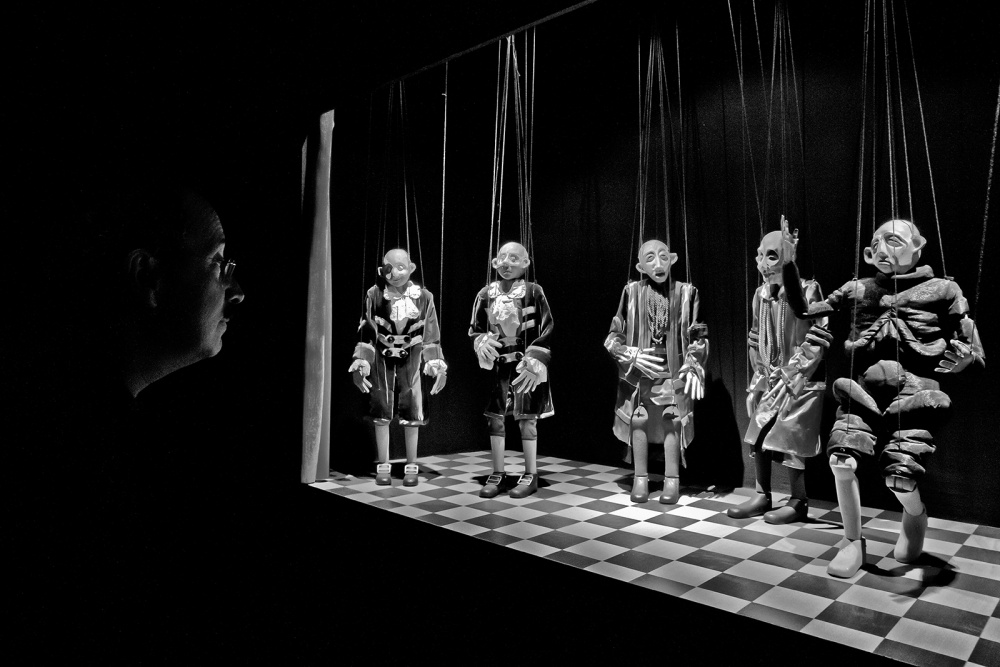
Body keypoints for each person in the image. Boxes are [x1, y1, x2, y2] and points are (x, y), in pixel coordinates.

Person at [783, 219, 984, 577]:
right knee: (841, 461)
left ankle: (915, 515)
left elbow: (973, 347)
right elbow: (804, 310)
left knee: (901, 477)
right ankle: (852, 541)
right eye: (874, 244)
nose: (880, 250)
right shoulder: (856, 288)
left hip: (915, 394)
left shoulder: (943, 289)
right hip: (862, 391)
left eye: (892, 240)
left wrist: (968, 358)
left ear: (918, 247)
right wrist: (788, 264)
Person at [729, 220, 831, 523]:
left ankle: (798, 500)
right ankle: (762, 495)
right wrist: (757, 373)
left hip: (800, 381)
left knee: (791, 438)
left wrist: (793, 371)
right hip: (770, 378)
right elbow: (755, 336)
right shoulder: (760, 294)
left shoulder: (808, 290)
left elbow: (818, 336)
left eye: (772, 255)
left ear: (789, 256)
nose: (763, 263)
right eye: (760, 255)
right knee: (758, 433)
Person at [605, 239, 708, 504]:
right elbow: (614, 334)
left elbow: (698, 335)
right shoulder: (631, 292)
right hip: (639, 371)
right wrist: (627, 353)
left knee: (671, 418)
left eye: (663, 256)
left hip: (673, 370)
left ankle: (671, 479)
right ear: (640, 266)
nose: (658, 264)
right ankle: (640, 477)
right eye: (650, 258)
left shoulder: (687, 293)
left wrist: (694, 363)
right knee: (638, 418)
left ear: (672, 259)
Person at [350, 248, 447, 485]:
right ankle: (383, 464)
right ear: (381, 270)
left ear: (411, 268)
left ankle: (411, 464)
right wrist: (361, 361)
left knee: (412, 409)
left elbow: (431, 333)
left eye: (400, 268)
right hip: (382, 356)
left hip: (412, 356)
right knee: (381, 409)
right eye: (388, 268)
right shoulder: (374, 294)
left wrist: (436, 363)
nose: (393, 274)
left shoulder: (424, 297)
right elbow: (367, 330)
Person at [469, 241, 553, 499]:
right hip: (497, 368)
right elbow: (475, 328)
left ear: (525, 264)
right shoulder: (486, 293)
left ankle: (530, 474)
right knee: (495, 418)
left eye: (514, 258)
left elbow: (547, 326)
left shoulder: (534, 291)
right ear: (495, 262)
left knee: (527, 418)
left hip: (525, 366)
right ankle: (498, 472)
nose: (506, 263)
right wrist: (481, 342)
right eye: (502, 258)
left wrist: (535, 357)